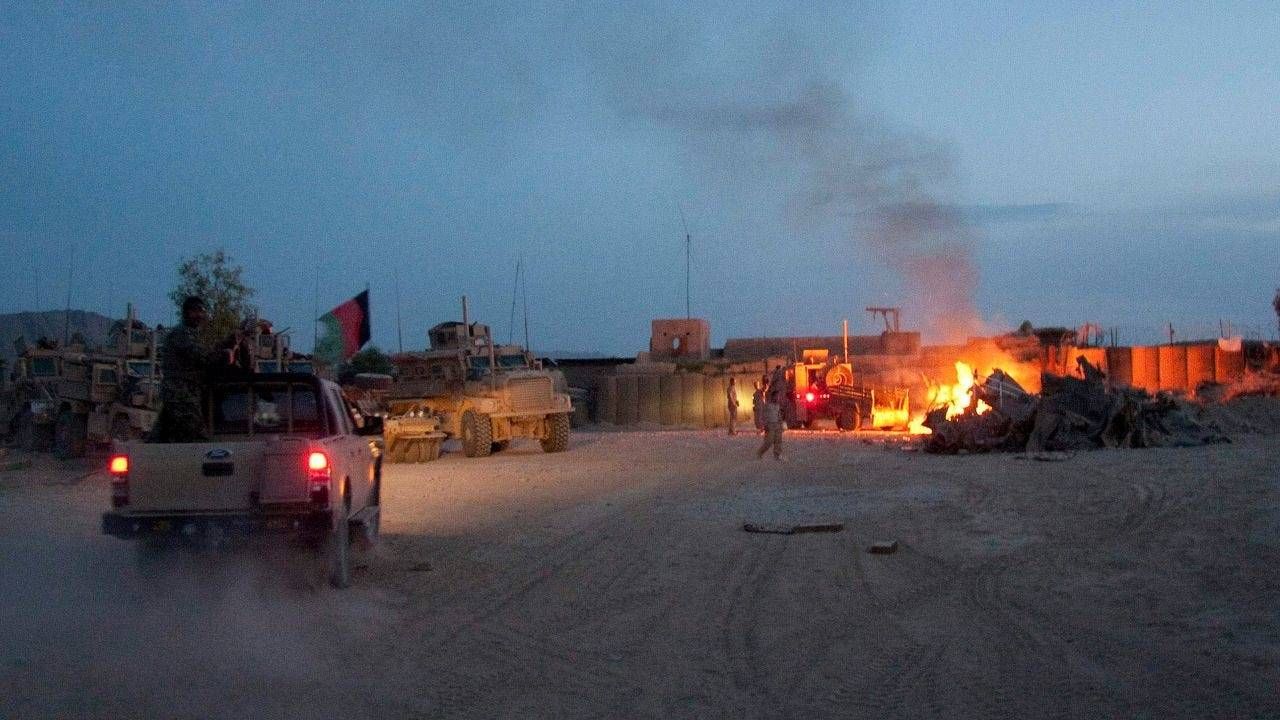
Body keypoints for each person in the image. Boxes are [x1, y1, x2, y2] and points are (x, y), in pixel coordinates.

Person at [150, 296, 227, 443]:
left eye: (201, 311)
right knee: (198, 437)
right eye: (195, 311)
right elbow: (202, 357)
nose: (199, 315)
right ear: (186, 313)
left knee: (164, 436)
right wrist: (224, 352)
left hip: (183, 391)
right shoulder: (181, 334)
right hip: (180, 393)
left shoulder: (190, 333)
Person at [756, 396, 784, 460]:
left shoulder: (778, 406)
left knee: (778, 441)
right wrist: (765, 425)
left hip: (777, 425)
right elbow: (764, 416)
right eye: (776, 397)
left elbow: (780, 416)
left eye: (778, 397)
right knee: (769, 441)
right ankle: (760, 453)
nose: (777, 399)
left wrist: (781, 425)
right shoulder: (768, 406)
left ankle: (777, 455)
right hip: (770, 425)